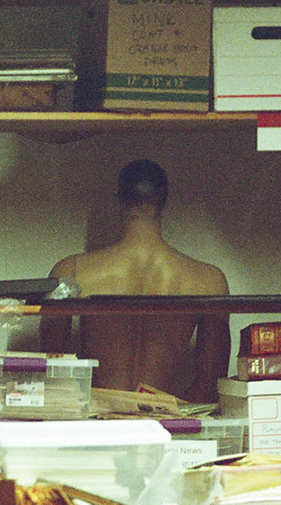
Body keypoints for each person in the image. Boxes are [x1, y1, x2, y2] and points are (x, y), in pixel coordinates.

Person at [43, 160, 231, 402]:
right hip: (163, 425)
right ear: (164, 201)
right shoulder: (209, 280)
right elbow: (209, 388)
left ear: (119, 201)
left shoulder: (70, 270)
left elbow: (55, 376)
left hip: (94, 421)